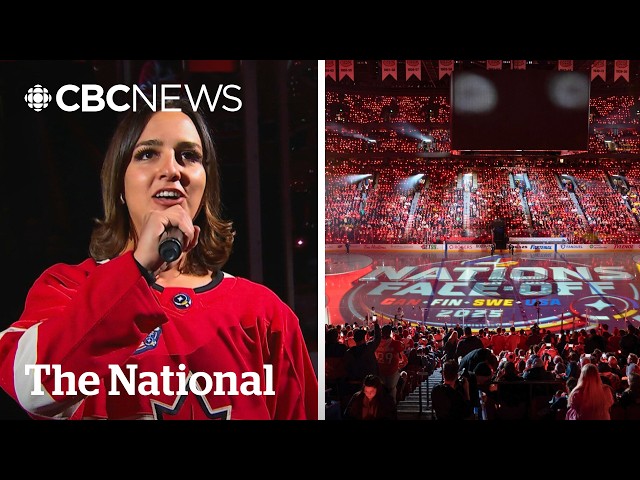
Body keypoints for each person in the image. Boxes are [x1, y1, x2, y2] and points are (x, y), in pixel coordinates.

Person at [0, 98, 318, 420]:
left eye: (189, 156)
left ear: (205, 186)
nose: (172, 170)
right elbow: (31, 387)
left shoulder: (264, 313)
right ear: (119, 185)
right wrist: (136, 270)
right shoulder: (66, 288)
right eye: (147, 154)